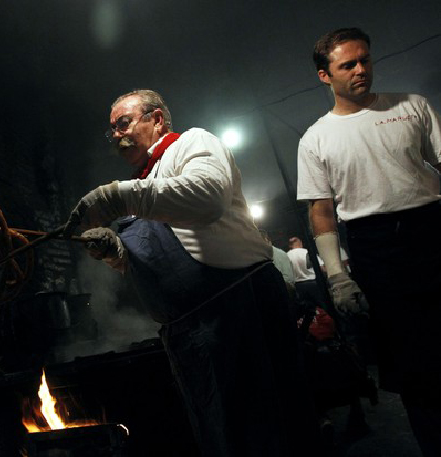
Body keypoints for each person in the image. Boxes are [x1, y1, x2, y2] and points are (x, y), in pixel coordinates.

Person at [65, 89, 320, 456]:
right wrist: (115, 252)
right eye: (112, 131)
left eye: (124, 123)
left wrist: (116, 196)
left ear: (156, 120)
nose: (117, 135)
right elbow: (157, 255)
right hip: (190, 331)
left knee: (268, 429)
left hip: (238, 312)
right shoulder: (144, 182)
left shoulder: (191, 144)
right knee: (223, 435)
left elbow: (208, 197)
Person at [296, 27, 441, 456]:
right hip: (376, 249)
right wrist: (338, 276)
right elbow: (320, 211)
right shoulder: (316, 138)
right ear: (325, 76)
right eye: (348, 65)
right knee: (415, 369)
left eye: (366, 60)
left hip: (432, 229)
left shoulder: (412, 106)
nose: (361, 70)